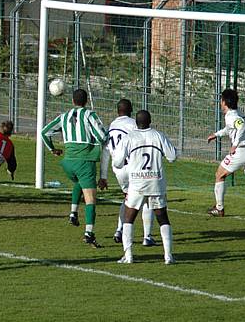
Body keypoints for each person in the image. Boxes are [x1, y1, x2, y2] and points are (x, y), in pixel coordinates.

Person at [41, 88, 108, 248]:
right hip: (84, 161)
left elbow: (44, 132)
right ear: (86, 101)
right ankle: (89, 234)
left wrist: (53, 149)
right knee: (91, 199)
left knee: (79, 182)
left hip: (68, 162)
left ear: (72, 101)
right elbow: (102, 137)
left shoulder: (64, 116)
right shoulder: (90, 115)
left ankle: (73, 213)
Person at [112, 110, 177, 264]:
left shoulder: (130, 137)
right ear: (150, 121)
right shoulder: (158, 135)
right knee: (163, 218)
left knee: (129, 218)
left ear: (136, 123)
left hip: (137, 183)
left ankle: (128, 256)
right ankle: (168, 256)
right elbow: (172, 157)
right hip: (156, 181)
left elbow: (117, 162)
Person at [98, 99, 156, 246]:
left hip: (117, 168)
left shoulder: (111, 126)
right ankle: (147, 236)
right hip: (133, 166)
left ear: (117, 111)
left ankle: (119, 230)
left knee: (128, 198)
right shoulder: (133, 124)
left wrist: (103, 176)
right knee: (146, 198)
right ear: (131, 110)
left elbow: (105, 151)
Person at [206, 88, 245, 216]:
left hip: (242, 150)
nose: (220, 103)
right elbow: (230, 128)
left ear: (224, 102)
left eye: (221, 100)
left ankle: (219, 208)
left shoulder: (232, 116)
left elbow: (241, 126)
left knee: (219, 174)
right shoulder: (237, 113)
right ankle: (219, 208)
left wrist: (235, 145)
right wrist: (216, 134)